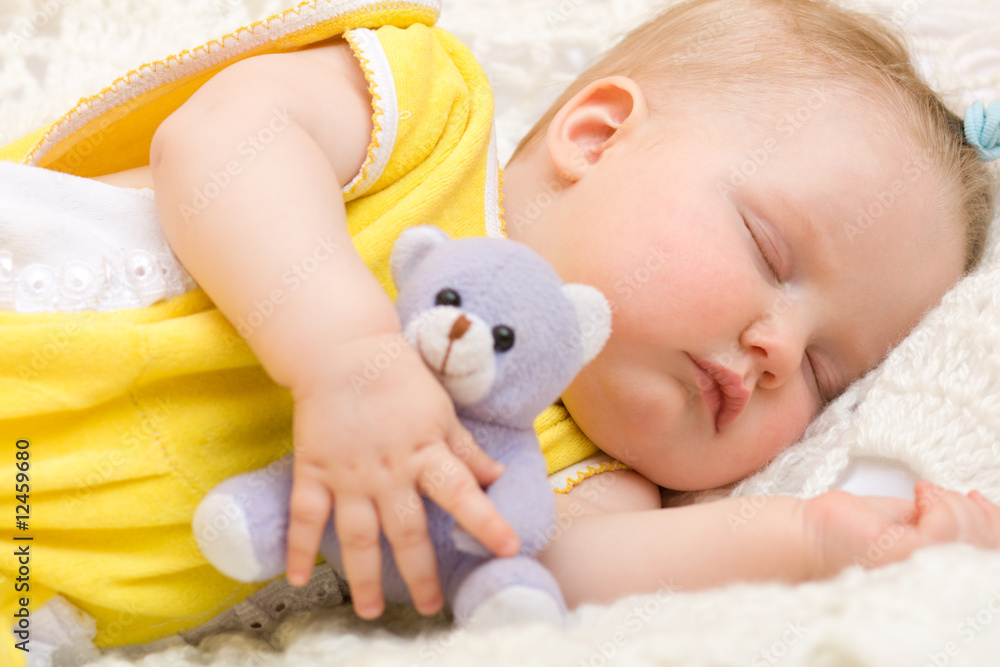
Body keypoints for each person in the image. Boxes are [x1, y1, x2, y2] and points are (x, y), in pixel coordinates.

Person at [1, 0, 998, 661]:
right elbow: (220, 141)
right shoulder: (425, 121)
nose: (778, 348)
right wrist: (342, 350)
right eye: (770, 252)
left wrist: (818, 539)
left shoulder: (575, 473)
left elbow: (568, 575)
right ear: (596, 134)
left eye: (827, 371)